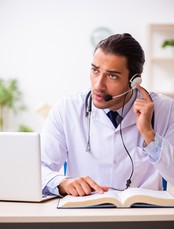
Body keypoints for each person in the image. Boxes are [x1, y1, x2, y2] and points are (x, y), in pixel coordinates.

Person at [41, 33, 174, 197]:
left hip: (143, 216)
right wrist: (63, 183)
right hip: (84, 214)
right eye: (95, 70)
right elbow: (38, 169)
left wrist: (149, 135)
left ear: (134, 80)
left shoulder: (166, 110)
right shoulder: (67, 109)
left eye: (112, 76)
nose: (98, 85)